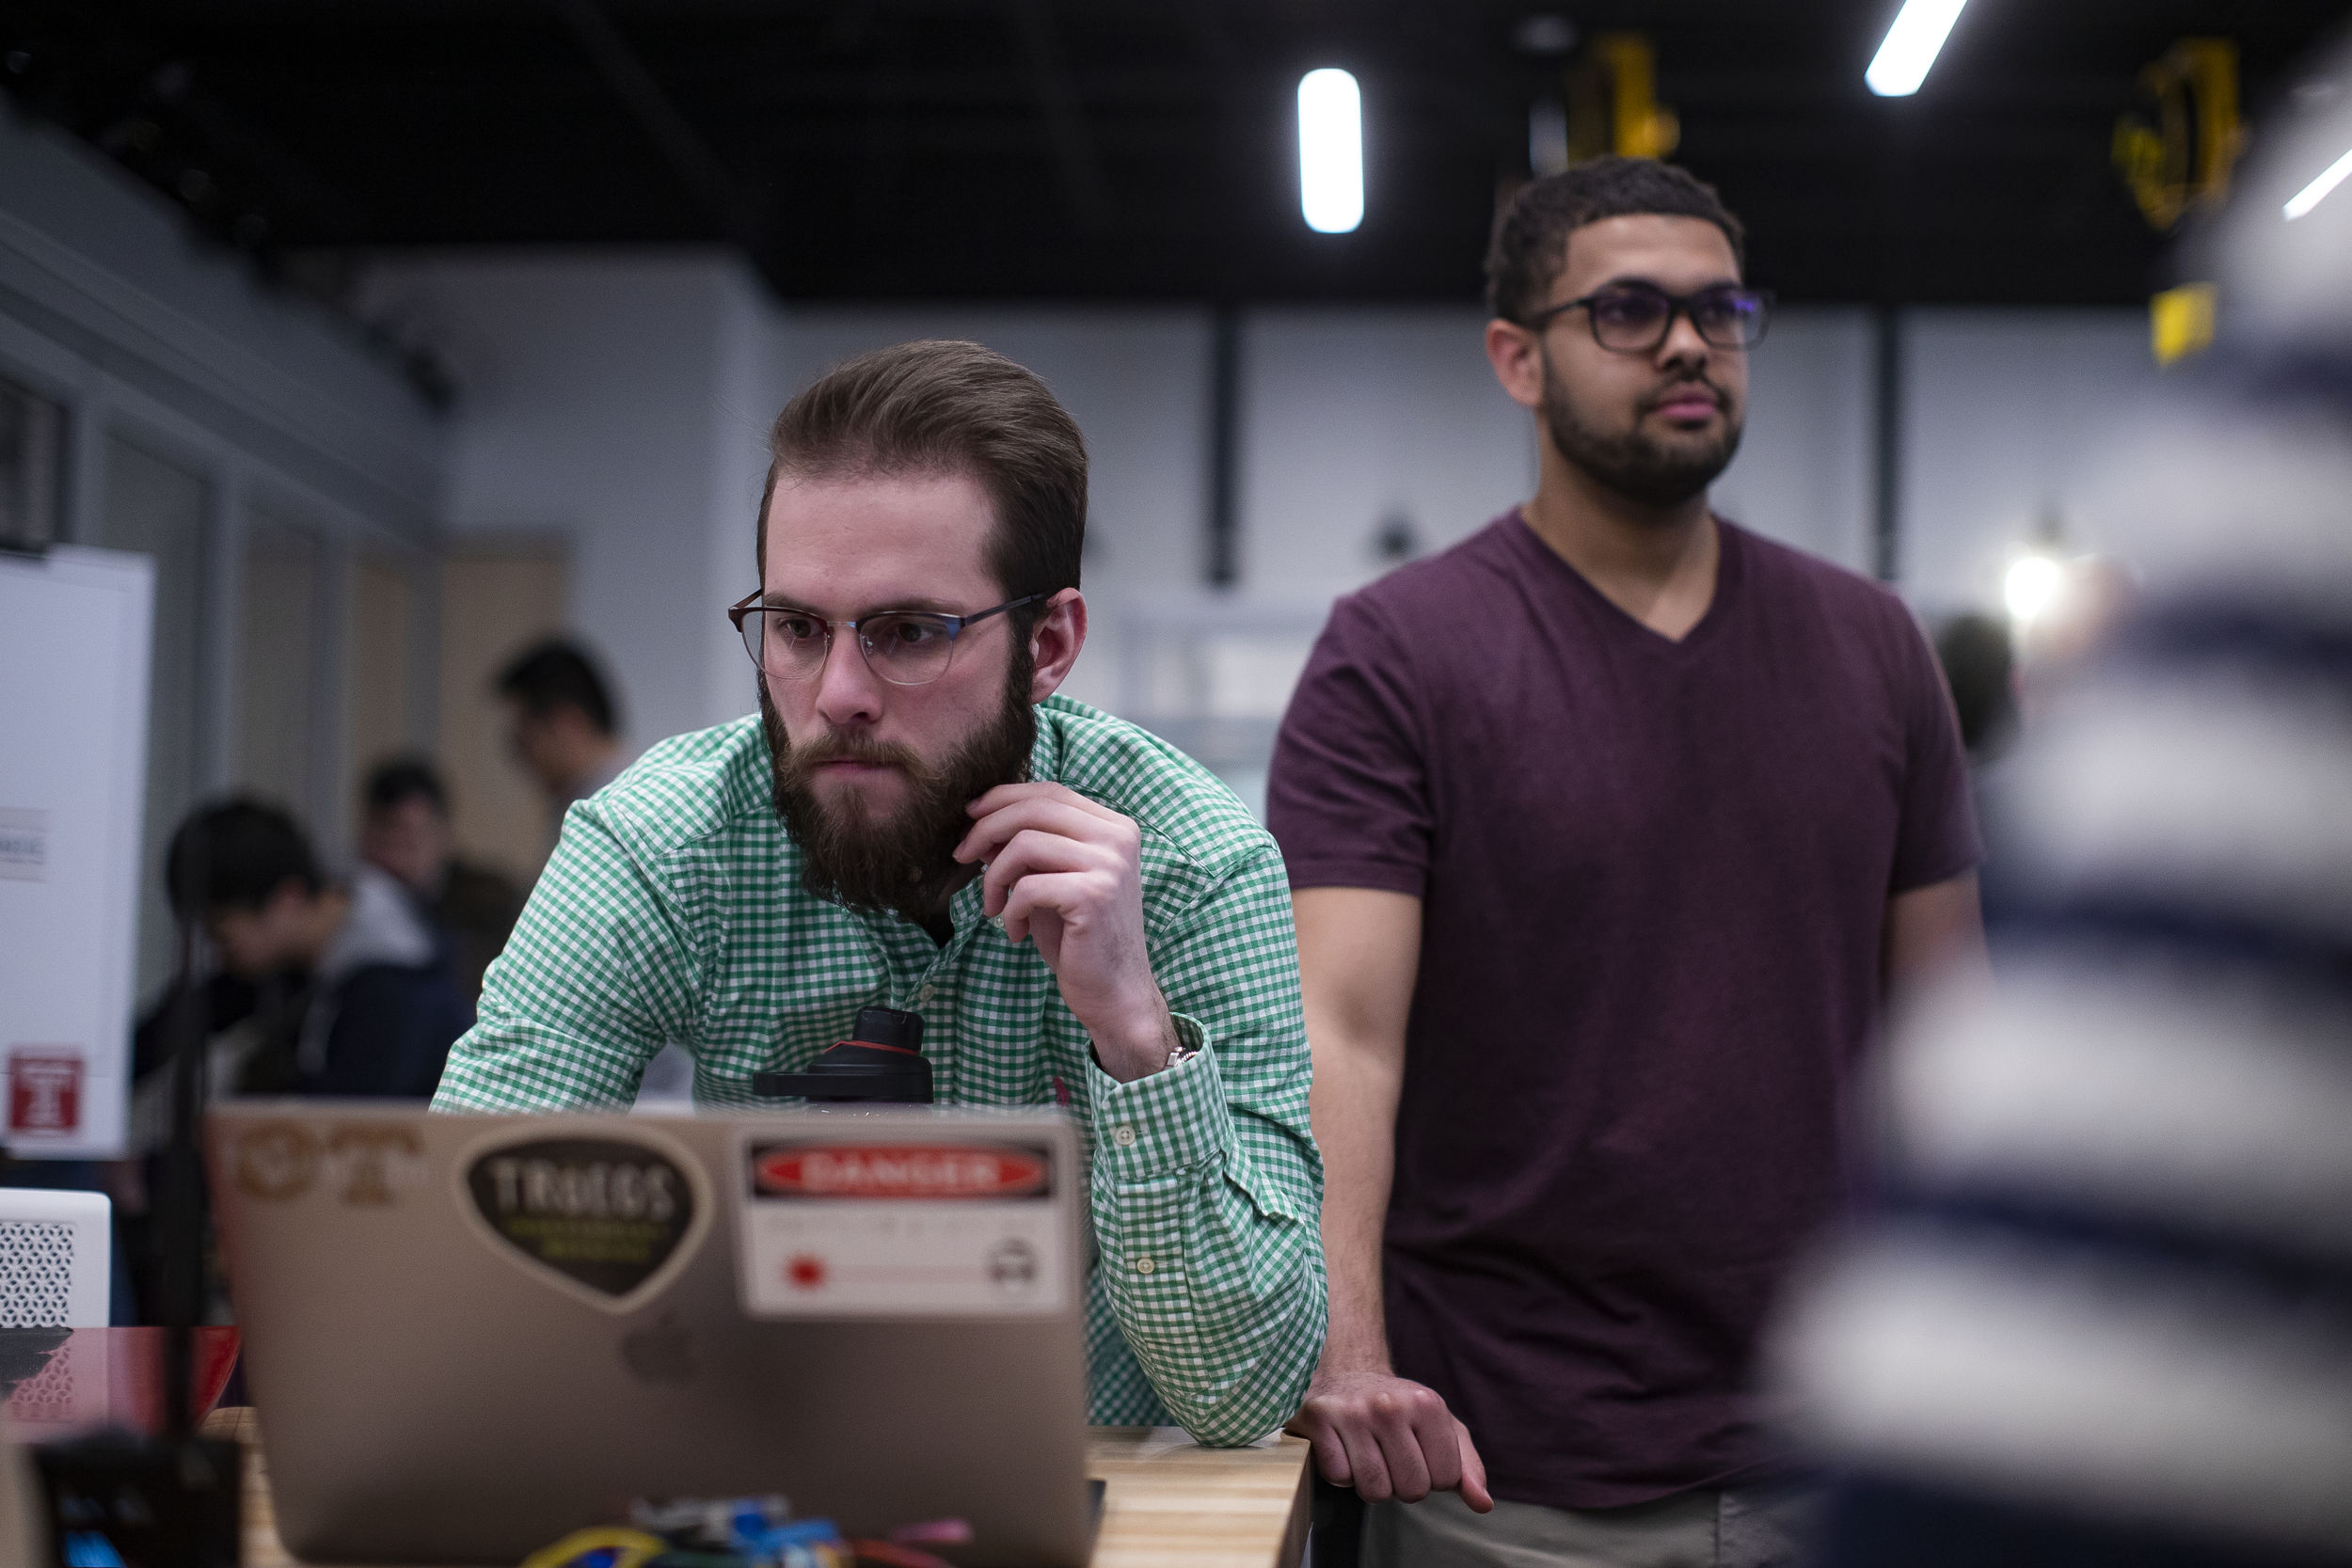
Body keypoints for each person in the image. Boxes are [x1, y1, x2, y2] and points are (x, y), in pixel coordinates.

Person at [1264, 156, 1986, 1566]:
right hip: (1505, 1468)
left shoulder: (1875, 645)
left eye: (1719, 310)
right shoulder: (1398, 652)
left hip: (1833, 1441)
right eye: (1630, 310)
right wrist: (1348, 1344)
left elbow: (1954, 1034)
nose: (1685, 342)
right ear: (1517, 358)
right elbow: (1341, 1033)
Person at [433, 339, 1325, 1445]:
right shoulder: (665, 842)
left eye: (909, 631)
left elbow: (1245, 1392)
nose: (838, 694)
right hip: (767, 1483)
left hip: (1097, 1493)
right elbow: (461, 1269)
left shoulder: (1197, 868)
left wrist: (1136, 1041)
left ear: (1046, 644)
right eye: (800, 629)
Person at [135, 798, 473, 1104]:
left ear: (288, 899)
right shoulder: (305, 954)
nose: (218, 955)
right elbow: (189, 1016)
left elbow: (331, 1137)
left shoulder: (394, 991)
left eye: (221, 935)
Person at [358, 756, 527, 1004]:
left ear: (443, 833)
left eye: (413, 838)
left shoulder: (489, 902)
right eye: (387, 839)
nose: (401, 855)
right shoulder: (352, 905)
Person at [496, 639, 627, 826]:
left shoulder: (610, 810)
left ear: (570, 723)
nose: (519, 755)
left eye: (526, 738)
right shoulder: (585, 800)